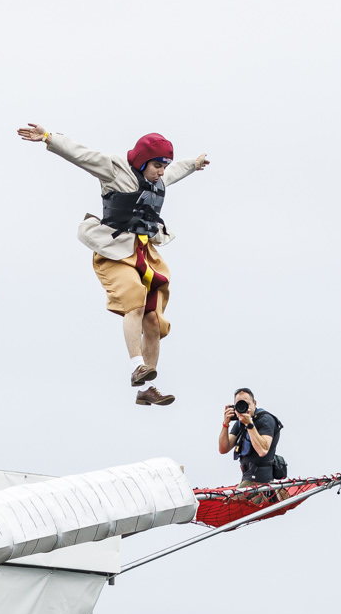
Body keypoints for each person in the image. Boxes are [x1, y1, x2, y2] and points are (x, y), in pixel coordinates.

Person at [16, 122, 209, 406]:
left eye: (164, 166)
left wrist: (193, 164)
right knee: (135, 298)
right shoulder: (115, 169)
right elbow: (81, 155)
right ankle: (136, 366)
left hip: (144, 251)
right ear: (143, 161)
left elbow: (176, 171)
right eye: (157, 165)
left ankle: (148, 389)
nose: (161, 171)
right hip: (113, 250)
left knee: (153, 318)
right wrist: (48, 137)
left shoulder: (158, 179)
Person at [217, 389, 284, 482]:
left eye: (246, 404)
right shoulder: (240, 422)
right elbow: (223, 449)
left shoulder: (265, 419)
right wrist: (225, 424)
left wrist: (249, 424)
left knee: (232, 497)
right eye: (239, 404)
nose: (243, 408)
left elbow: (263, 451)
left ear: (254, 403)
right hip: (246, 478)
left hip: (262, 481)